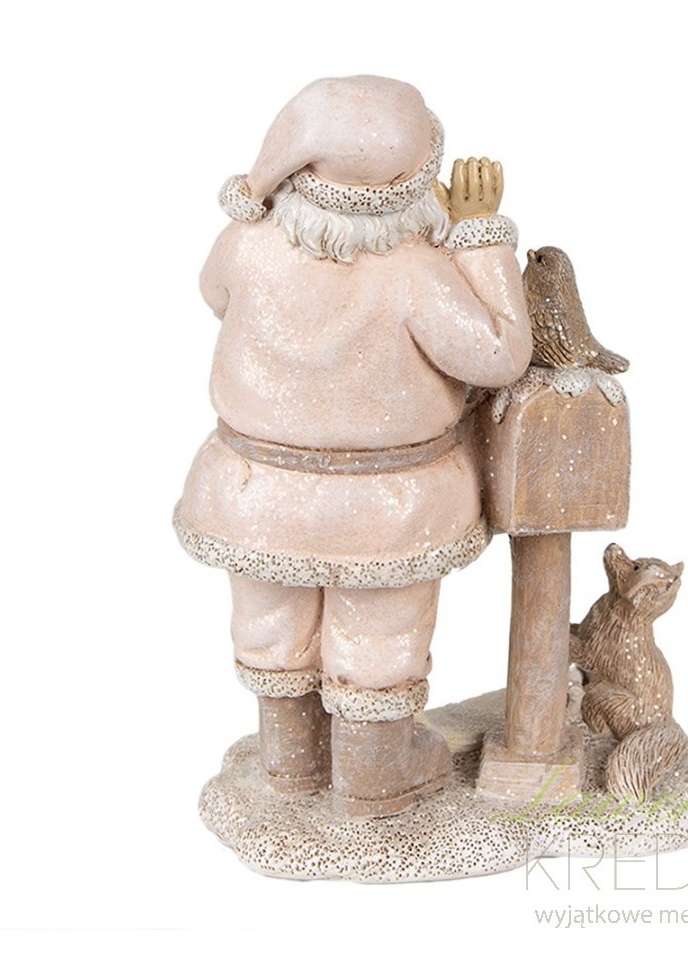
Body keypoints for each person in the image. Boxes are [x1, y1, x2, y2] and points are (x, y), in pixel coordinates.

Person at [174, 76, 532, 816]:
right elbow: (499, 354)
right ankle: (372, 783)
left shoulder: (244, 246)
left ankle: (292, 766)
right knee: (378, 638)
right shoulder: (417, 273)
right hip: (385, 505)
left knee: (272, 627)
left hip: (254, 492)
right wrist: (480, 236)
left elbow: (215, 296)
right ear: (413, 186)